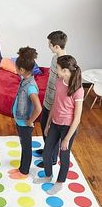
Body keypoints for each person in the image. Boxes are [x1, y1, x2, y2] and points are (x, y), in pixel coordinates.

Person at [33, 55, 84, 195]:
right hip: (55, 123)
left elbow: (77, 117)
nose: (56, 70)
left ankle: (59, 183)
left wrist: (67, 138)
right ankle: (48, 175)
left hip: (68, 128)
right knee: (47, 152)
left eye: (58, 68)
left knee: (64, 156)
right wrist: (48, 123)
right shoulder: (59, 82)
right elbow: (55, 104)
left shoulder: (78, 90)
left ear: (66, 71)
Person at [8, 47, 42, 179]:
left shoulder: (31, 87)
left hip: (24, 123)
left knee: (26, 147)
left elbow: (38, 108)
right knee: (23, 145)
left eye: (16, 68)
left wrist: (30, 121)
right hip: (20, 121)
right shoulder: (24, 80)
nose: (15, 70)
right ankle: (22, 168)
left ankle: (24, 172)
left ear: (21, 70)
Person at [36, 31, 67, 168]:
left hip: (56, 103)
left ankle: (52, 158)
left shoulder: (66, 64)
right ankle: (47, 150)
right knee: (44, 126)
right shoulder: (55, 58)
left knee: (52, 131)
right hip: (48, 99)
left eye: (49, 44)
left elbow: (64, 87)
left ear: (56, 46)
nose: (48, 46)